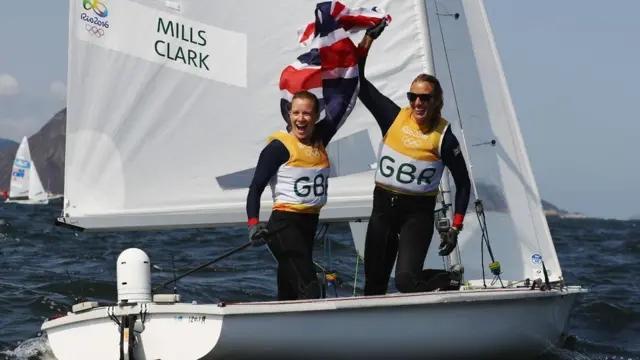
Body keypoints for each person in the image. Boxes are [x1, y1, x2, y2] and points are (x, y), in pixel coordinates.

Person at [357, 21, 472, 295]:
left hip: (416, 215)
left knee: (406, 283)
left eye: (425, 98)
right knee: (374, 286)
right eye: (413, 97)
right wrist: (368, 40)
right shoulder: (393, 118)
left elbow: (463, 183)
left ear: (436, 101)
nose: (418, 103)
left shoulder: (444, 137)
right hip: (383, 210)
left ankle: (450, 279)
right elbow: (359, 82)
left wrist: (455, 228)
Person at [245, 90, 344, 301]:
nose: (301, 118)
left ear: (316, 117)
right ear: (289, 115)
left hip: (308, 226)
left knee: (289, 293)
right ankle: (313, 332)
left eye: (307, 114)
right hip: (282, 227)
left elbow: (342, 102)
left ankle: (283, 330)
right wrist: (253, 224)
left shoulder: (320, 138)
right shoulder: (277, 148)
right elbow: (255, 188)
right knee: (310, 288)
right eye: (296, 113)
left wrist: (352, 65)